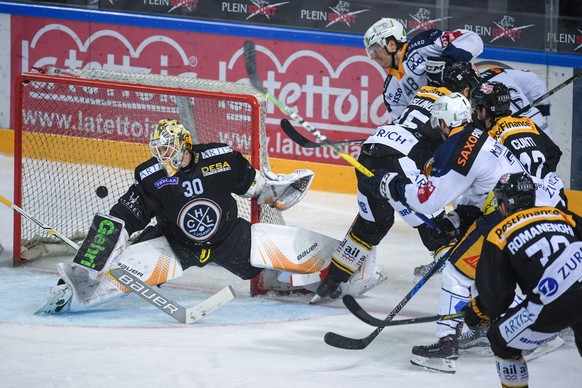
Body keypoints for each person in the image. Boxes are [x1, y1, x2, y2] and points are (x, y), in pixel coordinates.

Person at [364, 92, 566, 373]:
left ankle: (448, 346)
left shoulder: (457, 148)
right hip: (527, 209)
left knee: (456, 272)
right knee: (483, 273)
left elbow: (427, 200)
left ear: (445, 123)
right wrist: (455, 221)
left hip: (507, 215)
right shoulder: (477, 136)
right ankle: (519, 325)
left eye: (439, 123)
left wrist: (391, 185)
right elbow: (476, 193)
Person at [37, 119, 315, 313]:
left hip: (228, 236)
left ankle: (325, 278)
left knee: (269, 274)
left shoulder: (222, 159)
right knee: (124, 272)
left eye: (167, 148)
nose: (162, 155)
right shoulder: (151, 176)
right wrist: (89, 261)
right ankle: (70, 291)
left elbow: (259, 188)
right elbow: (123, 217)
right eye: (158, 150)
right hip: (173, 243)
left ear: (184, 144)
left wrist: (283, 190)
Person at [311, 63, 482, 303]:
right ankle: (469, 300)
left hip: (370, 151)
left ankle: (330, 284)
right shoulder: (457, 108)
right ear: (465, 89)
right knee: (437, 230)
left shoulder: (423, 91)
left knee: (371, 226)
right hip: (400, 159)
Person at [463, 172, 582, 388]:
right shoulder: (562, 214)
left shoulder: (499, 233)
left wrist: (478, 311)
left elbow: (497, 298)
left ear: (504, 203)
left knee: (500, 340)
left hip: (553, 304)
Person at [363, 17, 483, 123]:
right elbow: (403, 124)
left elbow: (472, 39)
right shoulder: (390, 91)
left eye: (375, 49)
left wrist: (446, 60)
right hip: (443, 130)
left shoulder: (423, 44)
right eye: (370, 52)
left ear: (392, 44)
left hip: (472, 110)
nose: (373, 56)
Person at [478, 67, 552, 137]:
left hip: (510, 132)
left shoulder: (474, 92)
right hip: (538, 124)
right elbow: (533, 79)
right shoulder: (495, 71)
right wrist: (541, 109)